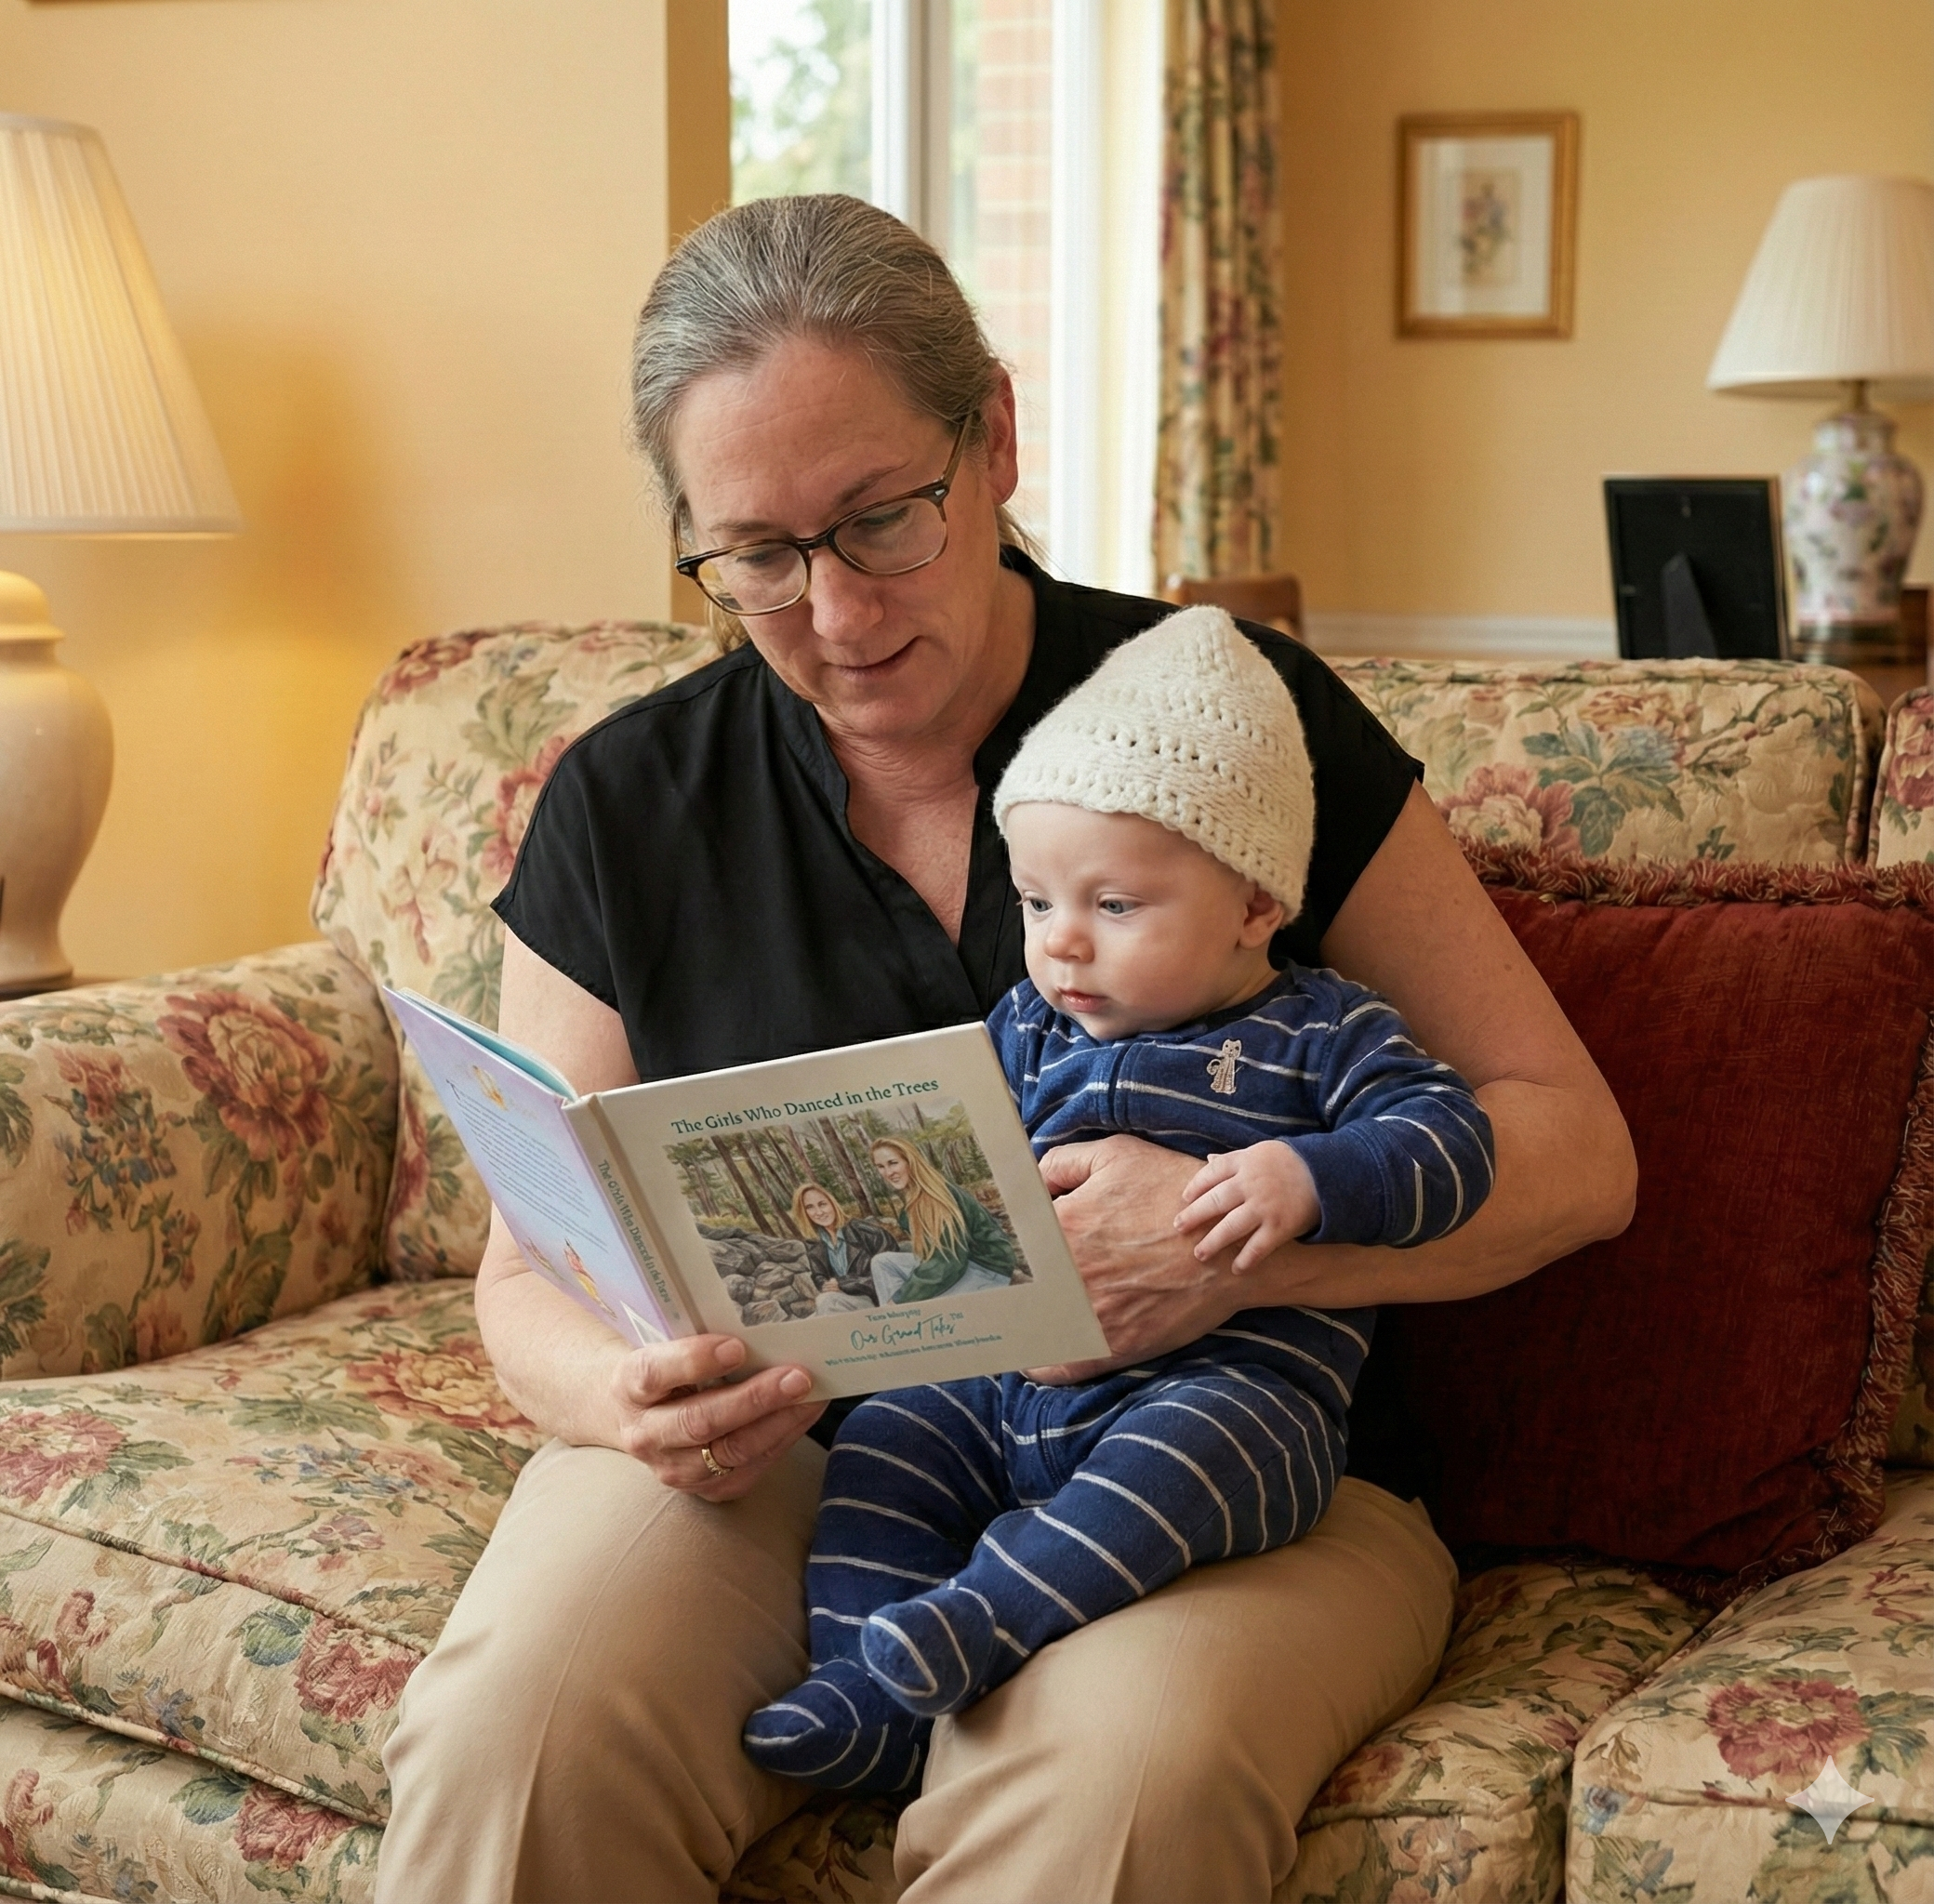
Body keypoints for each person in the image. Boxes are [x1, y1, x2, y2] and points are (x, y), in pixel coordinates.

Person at [374, 193, 1636, 1904]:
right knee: (515, 1738)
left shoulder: (1226, 720)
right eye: (757, 557)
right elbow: (530, 1271)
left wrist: (1231, 1254)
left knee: (1108, 1786)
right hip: (802, 1459)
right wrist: (622, 1397)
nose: (834, 611)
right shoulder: (628, 801)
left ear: (996, 444)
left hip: (1231, 1459)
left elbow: (1573, 1148)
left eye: (881, 519)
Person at [742, 609, 1494, 1792]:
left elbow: (1451, 1140)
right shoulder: (1026, 1026)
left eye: (1115, 905)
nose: (1062, 946)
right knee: (887, 1435)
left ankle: (982, 1619)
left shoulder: (1322, 1030)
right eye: (1037, 903)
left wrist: (1309, 1177)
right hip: (1008, 1387)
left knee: (1197, 1451)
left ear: (1254, 905)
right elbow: (955, 1169)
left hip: (1226, 1396)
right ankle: (868, 1692)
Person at [862, 1133, 1020, 1305]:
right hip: (958, 1263)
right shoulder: (913, 1199)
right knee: (882, 1262)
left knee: (915, 1304)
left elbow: (949, 1261)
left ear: (910, 1161)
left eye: (893, 1163)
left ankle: (900, 1315)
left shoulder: (934, 1197)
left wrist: (900, 1299)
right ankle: (900, 1316)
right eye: (881, 1166)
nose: (888, 1172)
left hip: (985, 1268)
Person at [789, 1182, 895, 1310]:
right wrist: (826, 1285)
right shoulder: (813, 1243)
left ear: (833, 1203)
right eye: (810, 1207)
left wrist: (843, 1283)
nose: (819, 1212)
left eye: (822, 1204)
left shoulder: (869, 1233)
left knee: (826, 1301)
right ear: (804, 1213)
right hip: (843, 1299)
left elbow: (891, 1274)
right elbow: (819, 1276)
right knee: (825, 1300)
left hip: (877, 1298)